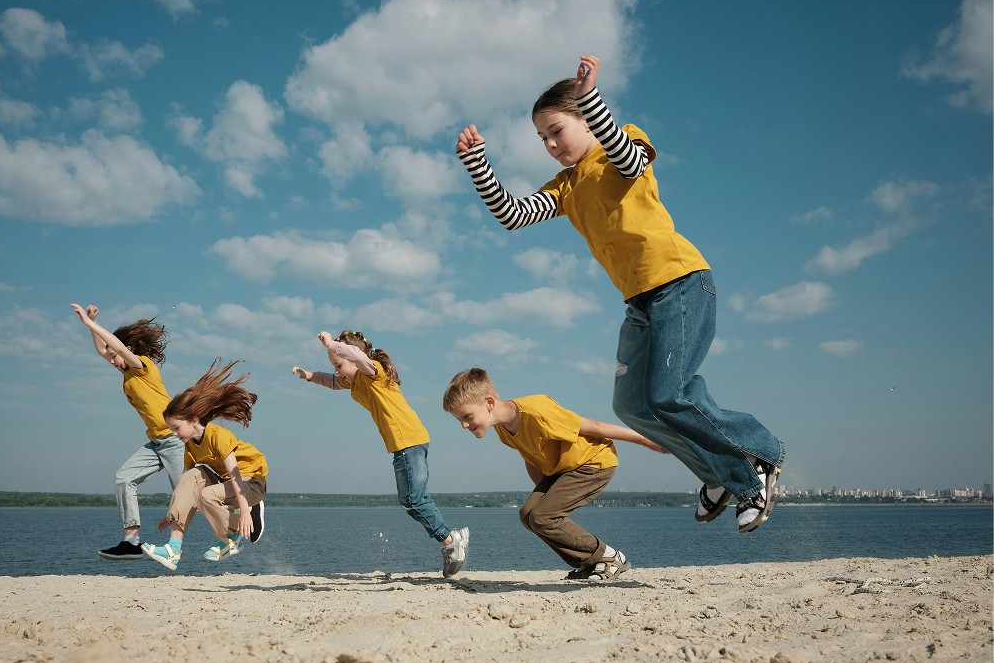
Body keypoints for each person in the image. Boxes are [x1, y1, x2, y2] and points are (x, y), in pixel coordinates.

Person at [454, 54, 784, 533]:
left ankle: (757, 461)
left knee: (669, 394)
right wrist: (476, 163)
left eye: (556, 131)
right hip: (640, 305)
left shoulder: (623, 144)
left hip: (680, 283)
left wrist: (591, 97)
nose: (549, 145)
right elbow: (511, 214)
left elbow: (629, 160)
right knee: (631, 406)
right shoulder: (566, 186)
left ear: (587, 119)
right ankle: (716, 473)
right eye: (541, 138)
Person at [443, 367, 667, 581]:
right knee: (529, 514)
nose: (463, 425)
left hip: (593, 462)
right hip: (565, 468)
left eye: (467, 416)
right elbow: (531, 458)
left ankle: (609, 557)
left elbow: (594, 426)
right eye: (458, 420)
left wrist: (645, 439)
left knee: (542, 516)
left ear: (489, 403)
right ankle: (589, 563)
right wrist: (550, 497)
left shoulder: (537, 412)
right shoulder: (503, 428)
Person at [291, 330, 469, 578]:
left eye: (339, 365)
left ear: (355, 358)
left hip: (408, 439)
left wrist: (332, 344)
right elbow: (331, 382)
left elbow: (357, 357)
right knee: (410, 500)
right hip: (404, 442)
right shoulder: (353, 382)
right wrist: (308, 376)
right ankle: (451, 539)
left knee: (414, 500)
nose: (337, 371)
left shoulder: (374, 373)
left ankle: (450, 541)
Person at [71, 303, 187, 560]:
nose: (112, 360)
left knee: (188, 496)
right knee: (124, 478)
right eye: (111, 357)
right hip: (156, 443)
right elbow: (103, 349)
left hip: (175, 441)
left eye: (115, 356)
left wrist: (90, 324)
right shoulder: (126, 373)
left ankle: (241, 511)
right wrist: (92, 324)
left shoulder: (143, 366)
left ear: (129, 350)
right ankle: (132, 541)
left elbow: (118, 347)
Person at [141, 358, 268, 571]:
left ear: (193, 420)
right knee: (191, 477)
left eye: (176, 428)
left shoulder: (218, 436)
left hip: (250, 482)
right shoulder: (191, 445)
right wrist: (172, 513)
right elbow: (185, 488)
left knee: (206, 496)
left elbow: (235, 473)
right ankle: (174, 548)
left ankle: (233, 535)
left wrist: (244, 510)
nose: (173, 434)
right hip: (227, 484)